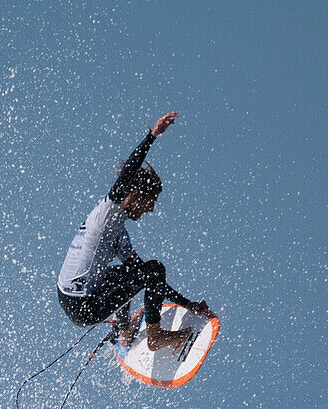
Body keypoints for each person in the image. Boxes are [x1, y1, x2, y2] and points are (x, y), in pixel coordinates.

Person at [57, 111, 213, 353]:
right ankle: (155, 336)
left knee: (136, 272)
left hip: (71, 295)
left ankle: (124, 329)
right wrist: (152, 136)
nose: (150, 210)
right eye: (150, 201)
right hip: (82, 304)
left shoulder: (118, 232)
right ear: (136, 193)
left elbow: (150, 280)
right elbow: (129, 171)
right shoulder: (108, 211)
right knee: (151, 269)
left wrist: (186, 304)